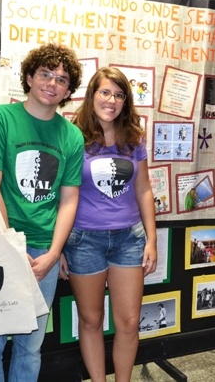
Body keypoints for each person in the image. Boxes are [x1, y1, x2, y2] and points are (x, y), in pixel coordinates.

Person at [0, 43, 84, 382]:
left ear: (68, 90)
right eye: (46, 74)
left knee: (29, 346)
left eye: (62, 79)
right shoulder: (0, 118)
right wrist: (9, 249)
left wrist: (53, 253)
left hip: (42, 253)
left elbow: (69, 200)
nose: (52, 83)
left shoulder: (72, 136)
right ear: (30, 77)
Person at [59, 67, 157, 382]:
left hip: (129, 239)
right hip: (84, 240)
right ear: (92, 95)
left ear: (125, 101)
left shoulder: (133, 137)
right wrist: (58, 246)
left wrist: (152, 240)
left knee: (128, 322)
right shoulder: (73, 135)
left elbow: (144, 190)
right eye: (105, 92)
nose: (111, 100)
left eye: (118, 94)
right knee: (90, 321)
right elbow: (61, 195)